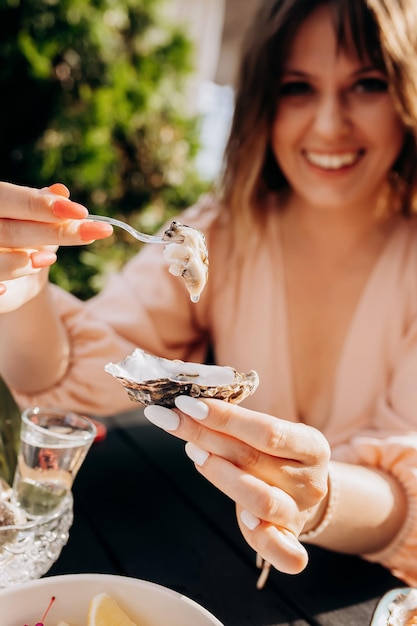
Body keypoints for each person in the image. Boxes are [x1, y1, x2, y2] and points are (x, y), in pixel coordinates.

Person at [1, 0, 417, 587]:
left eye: (367, 85)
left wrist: (315, 498)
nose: (329, 124)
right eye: (298, 87)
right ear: (262, 101)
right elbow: (78, 369)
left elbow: (410, 497)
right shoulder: (223, 230)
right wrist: (22, 284)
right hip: (220, 566)